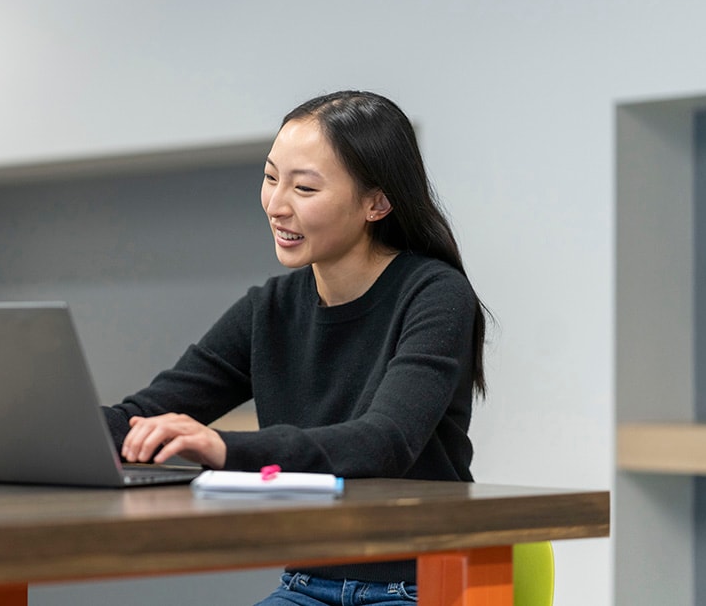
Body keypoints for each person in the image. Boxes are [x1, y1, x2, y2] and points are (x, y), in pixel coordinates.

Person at [101, 90, 488, 606]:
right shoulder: (271, 307)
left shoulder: (435, 294)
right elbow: (144, 415)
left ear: (377, 202)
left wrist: (223, 450)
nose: (276, 205)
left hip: (420, 583)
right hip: (307, 584)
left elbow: (383, 442)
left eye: (304, 187)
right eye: (269, 177)